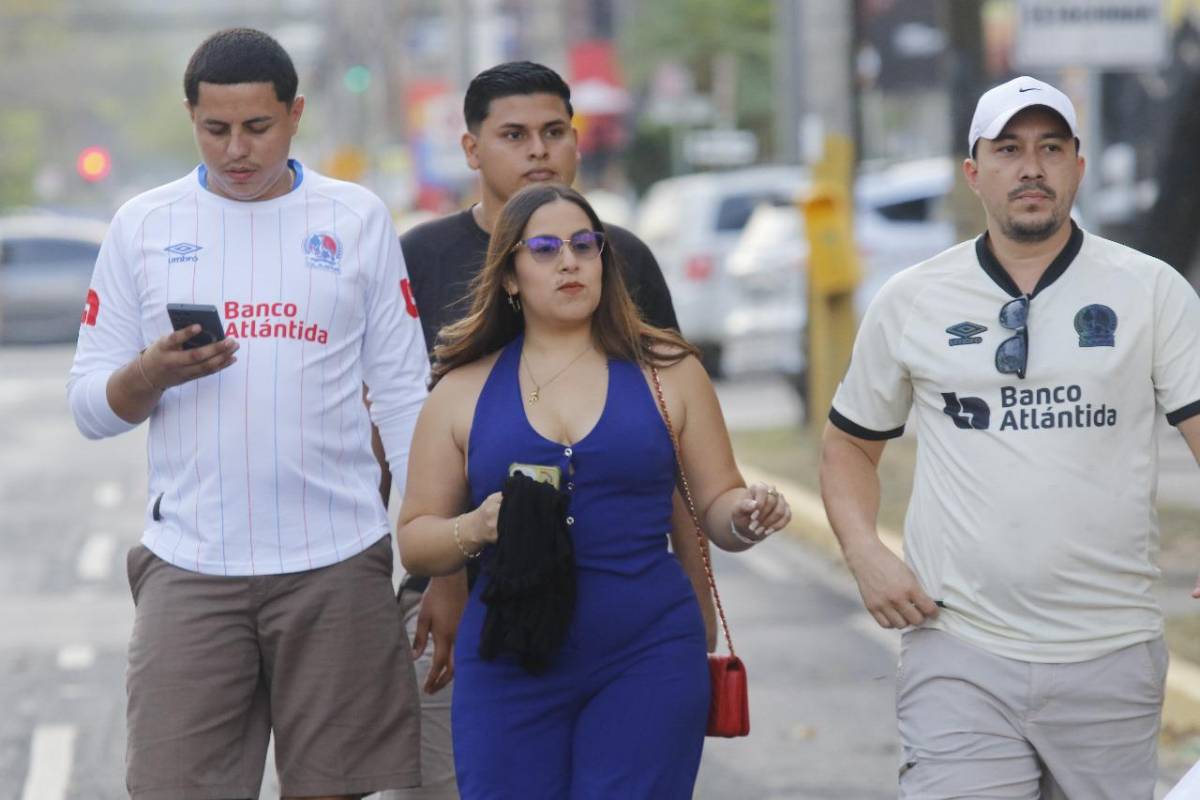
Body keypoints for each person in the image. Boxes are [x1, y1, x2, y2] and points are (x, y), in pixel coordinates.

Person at [67, 28, 428, 800]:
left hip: (336, 562)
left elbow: (403, 397)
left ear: (295, 115)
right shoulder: (144, 225)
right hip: (191, 565)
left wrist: (434, 560)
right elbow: (90, 408)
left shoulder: (358, 218)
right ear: (191, 117)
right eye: (216, 129)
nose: (237, 150)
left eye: (257, 128)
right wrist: (149, 373)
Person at [820, 75, 1200, 799]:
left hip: (1110, 650)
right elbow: (849, 447)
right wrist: (865, 553)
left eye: (1050, 148)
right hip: (959, 648)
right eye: (1009, 149)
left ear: (1078, 167)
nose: (1032, 167)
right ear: (975, 173)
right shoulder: (913, 299)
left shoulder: (1150, 291)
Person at [380, 60, 713, 800]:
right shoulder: (421, 259)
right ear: (472, 149)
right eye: (515, 135)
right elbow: (398, 427)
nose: (538, 150)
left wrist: (696, 606)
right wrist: (441, 577)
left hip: (632, 619)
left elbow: (670, 460)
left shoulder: (623, 257)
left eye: (554, 132)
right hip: (475, 604)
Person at [396, 183, 791, 799]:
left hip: (648, 653)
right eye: (546, 248)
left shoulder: (670, 371)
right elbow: (417, 540)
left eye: (585, 246)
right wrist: (474, 528)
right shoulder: (461, 390)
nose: (569, 262)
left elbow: (717, 505)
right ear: (509, 277)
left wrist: (747, 514)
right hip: (509, 658)